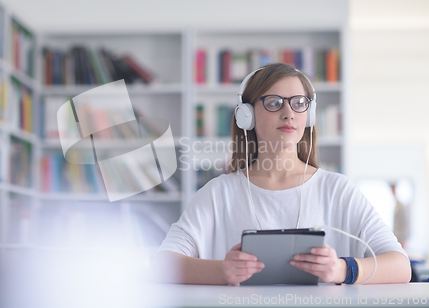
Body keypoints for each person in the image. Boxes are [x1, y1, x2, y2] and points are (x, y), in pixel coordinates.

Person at [150, 63, 411, 285]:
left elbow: (401, 267)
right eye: (274, 103)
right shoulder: (218, 194)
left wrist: (343, 269)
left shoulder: (338, 190)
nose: (288, 113)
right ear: (246, 116)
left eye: (299, 103)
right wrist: (221, 271)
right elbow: (162, 264)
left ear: (309, 115)